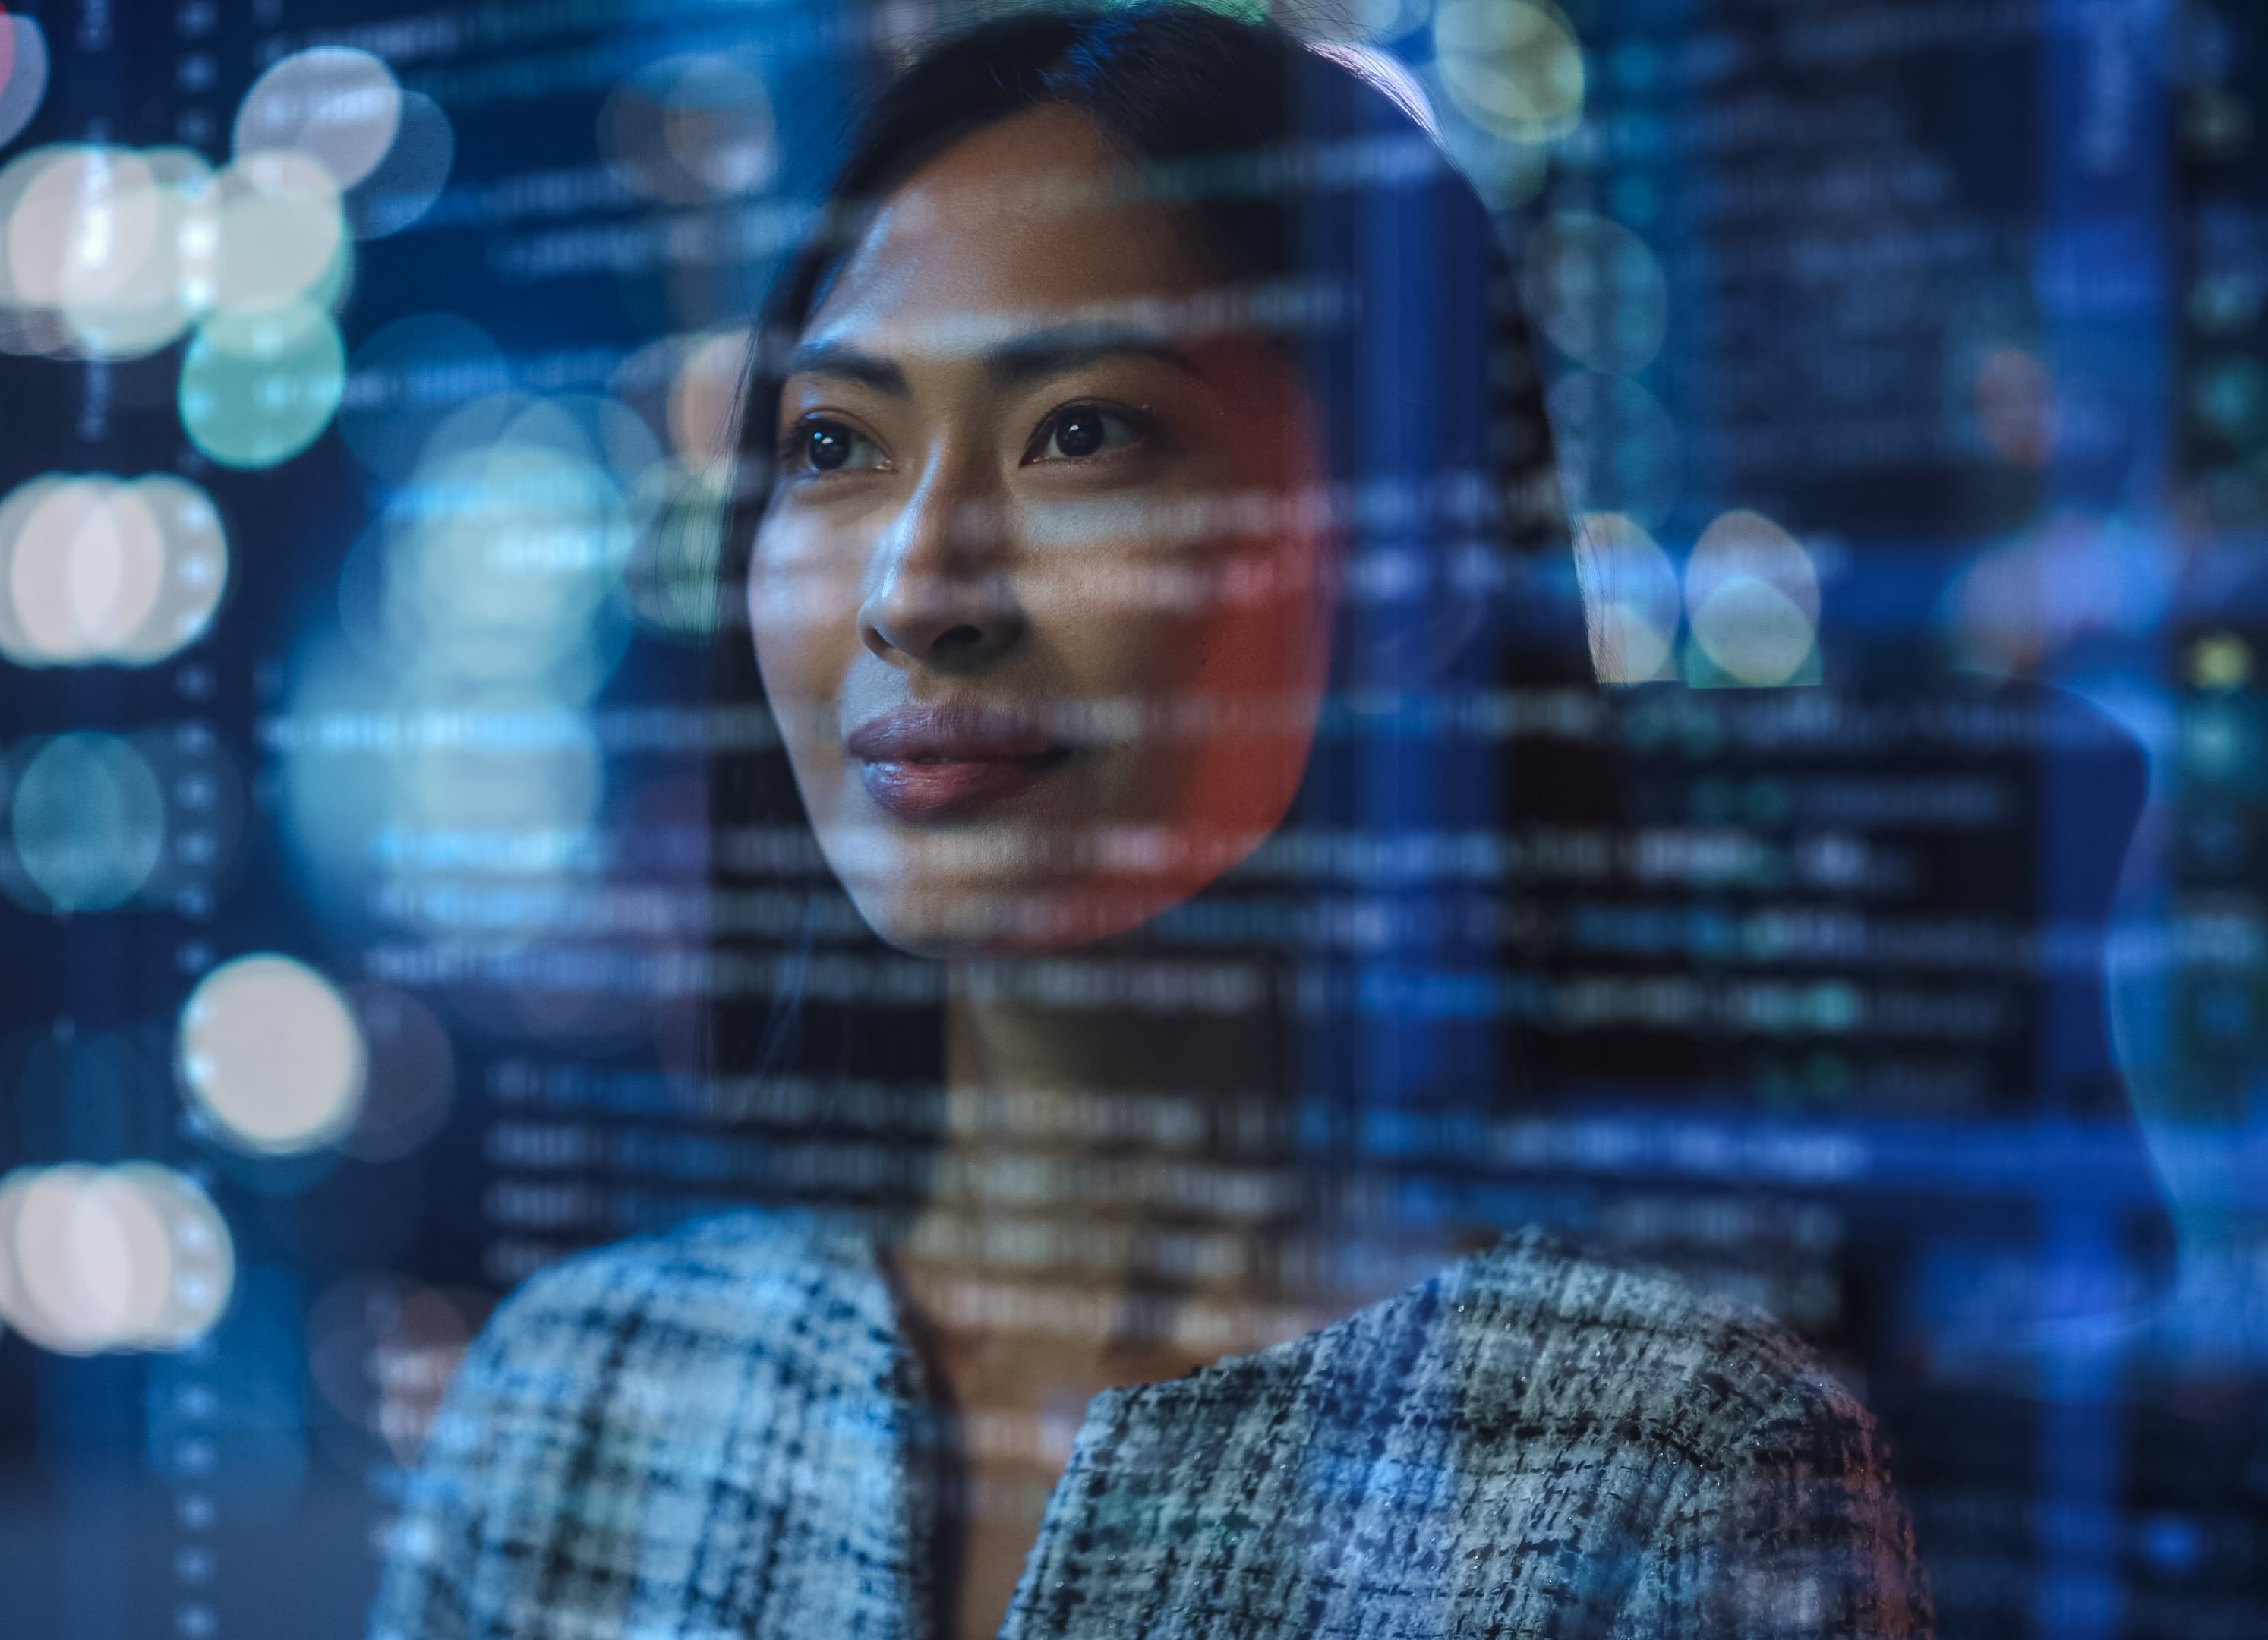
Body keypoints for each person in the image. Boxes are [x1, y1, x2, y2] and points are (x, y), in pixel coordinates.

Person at [371, 7, 1931, 1637]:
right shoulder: (583, 1407)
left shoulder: (1663, 1469)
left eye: (1085, 432)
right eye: (835, 445)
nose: (918, 590)